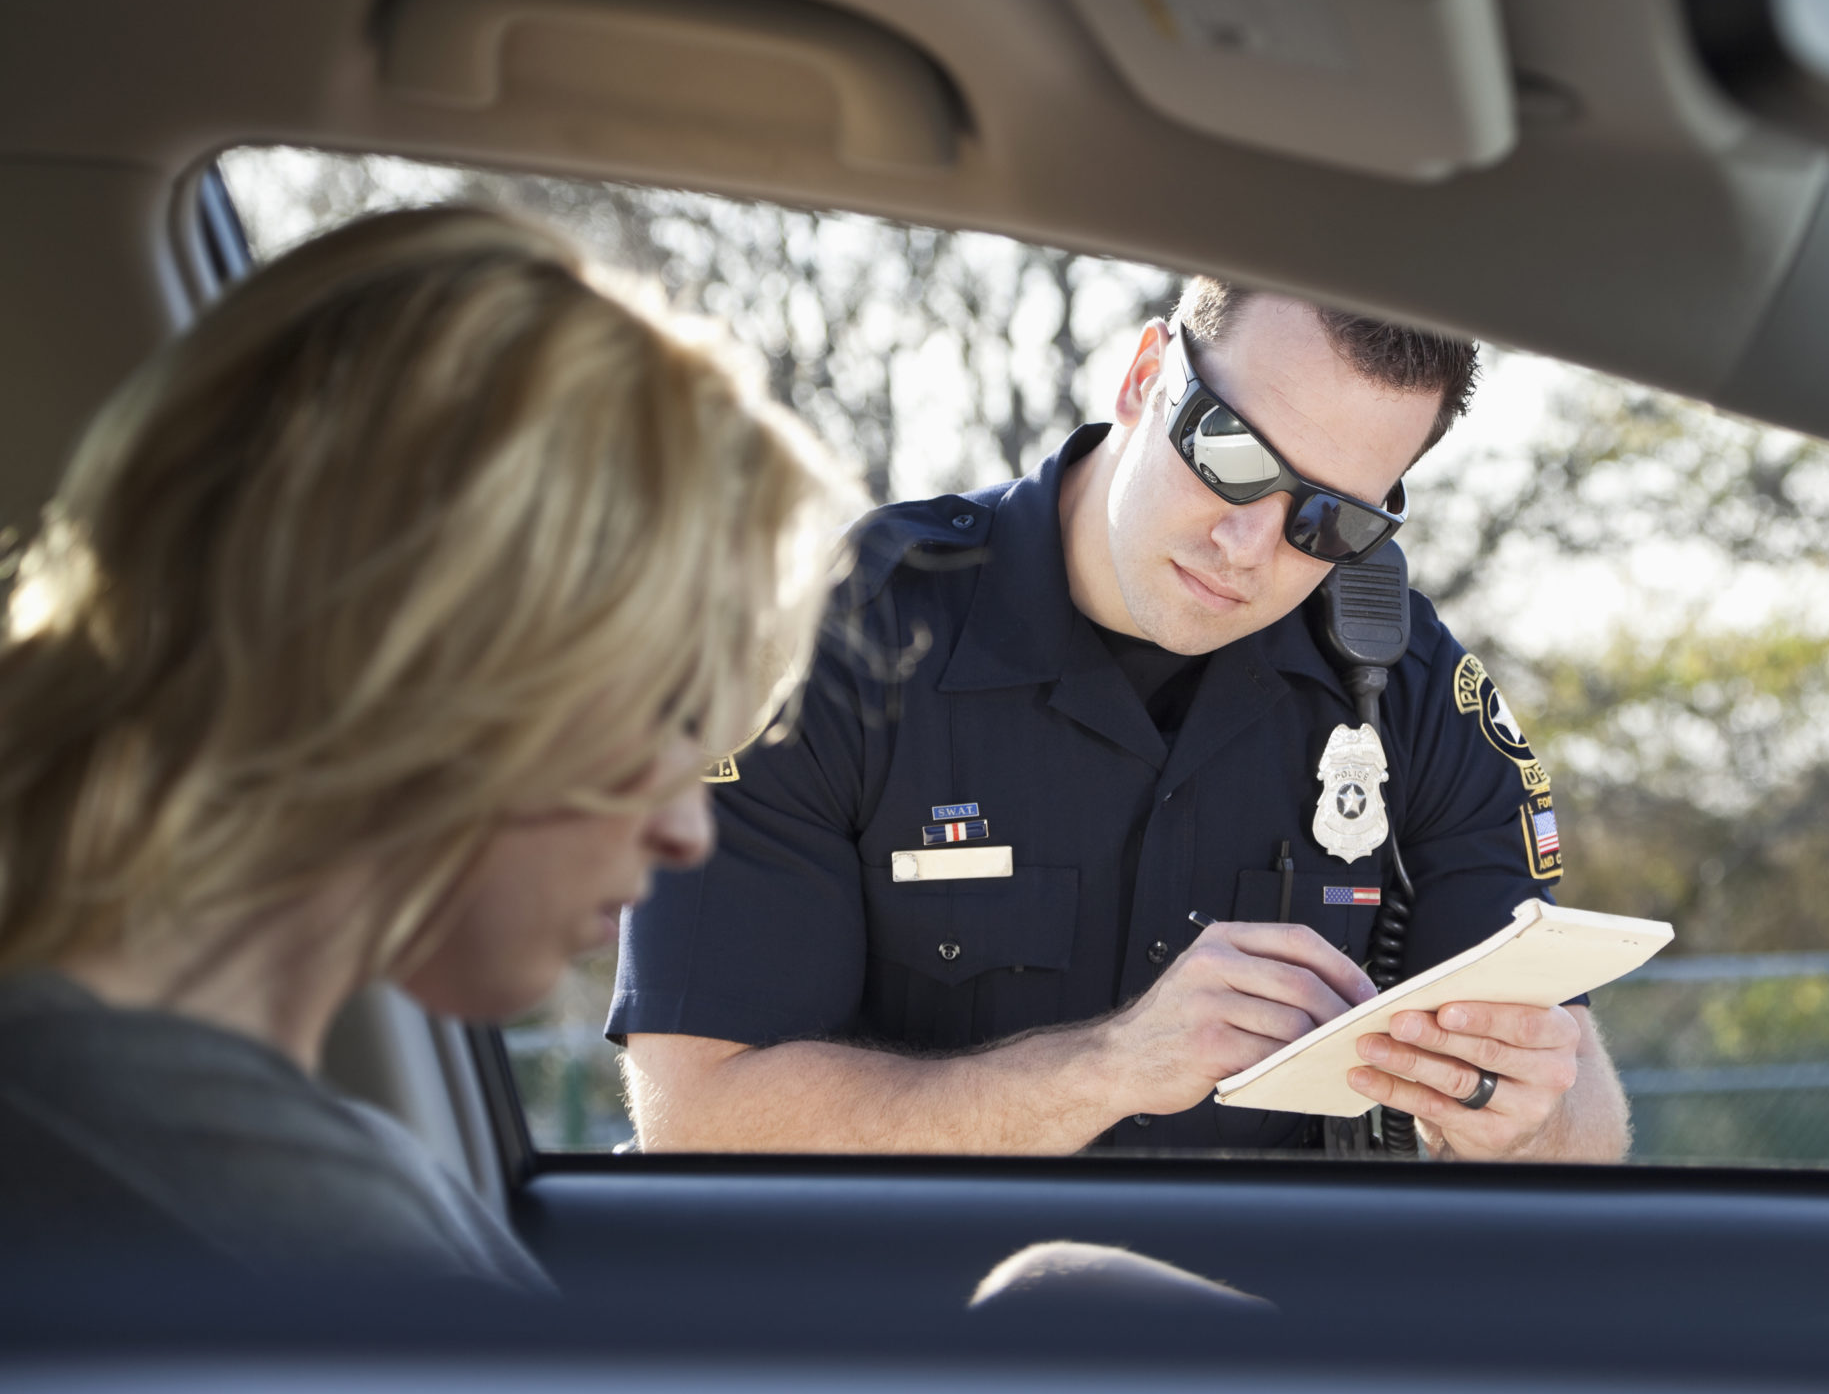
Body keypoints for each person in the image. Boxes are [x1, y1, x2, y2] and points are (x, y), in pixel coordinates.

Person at [0, 207, 845, 1282]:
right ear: (443, 658)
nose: (687, 830)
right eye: (668, 712)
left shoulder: (180, 1147)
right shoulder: (262, 1225)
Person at [616, 278, 1633, 1159]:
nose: (1248, 542)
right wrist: (1104, 1069)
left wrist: (1519, 1114)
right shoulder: (817, 646)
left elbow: (1582, 1115)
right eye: (1231, 454)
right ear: (1146, 374)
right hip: (913, 1348)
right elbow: (698, 1116)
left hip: (1262, 1348)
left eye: (1331, 518)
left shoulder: (1405, 687)